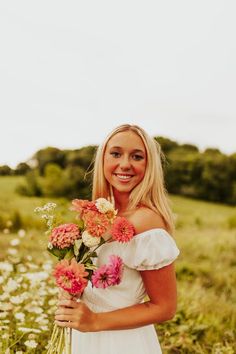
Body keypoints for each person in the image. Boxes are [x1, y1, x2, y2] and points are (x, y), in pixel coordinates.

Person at [55, 124, 180, 354]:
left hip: (122, 343)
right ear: (103, 159)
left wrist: (94, 321)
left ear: (149, 165)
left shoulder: (147, 223)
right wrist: (73, 288)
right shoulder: (100, 216)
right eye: (115, 153)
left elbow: (165, 308)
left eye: (137, 156)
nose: (125, 164)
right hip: (87, 339)